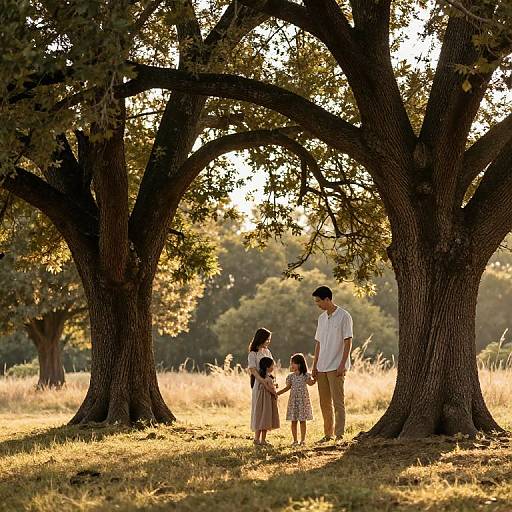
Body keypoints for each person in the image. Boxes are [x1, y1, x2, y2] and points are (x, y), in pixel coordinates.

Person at [312, 285, 353, 443]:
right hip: (321, 366)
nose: (318, 304)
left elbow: (348, 341)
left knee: (338, 402)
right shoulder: (321, 319)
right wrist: (314, 365)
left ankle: (339, 435)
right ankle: (328, 434)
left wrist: (342, 364)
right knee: (324, 403)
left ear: (327, 299)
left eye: (319, 301)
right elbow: (318, 343)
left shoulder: (344, 316)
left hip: (336, 366)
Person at [277, 353, 316, 445]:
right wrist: (277, 393)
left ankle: (302, 440)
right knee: (293, 421)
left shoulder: (305, 375)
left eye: (293, 363)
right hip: (293, 401)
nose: (292, 365)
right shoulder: (290, 376)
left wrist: (316, 377)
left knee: (302, 421)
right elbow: (287, 388)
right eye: (291, 363)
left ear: (300, 364)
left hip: (303, 401)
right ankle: (295, 440)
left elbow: (311, 383)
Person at [247, 327, 276, 442]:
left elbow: (271, 367)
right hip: (258, 385)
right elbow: (253, 370)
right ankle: (256, 438)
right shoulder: (253, 354)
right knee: (259, 410)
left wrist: (271, 382)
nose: (268, 341)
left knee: (266, 411)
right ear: (261, 339)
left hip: (268, 384)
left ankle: (263, 439)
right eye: (267, 339)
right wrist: (262, 381)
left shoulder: (268, 352)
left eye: (269, 339)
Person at [253, 356, 280, 445]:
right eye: (272, 366)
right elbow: (269, 388)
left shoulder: (262, 377)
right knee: (265, 419)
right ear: (267, 367)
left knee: (260, 418)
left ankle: (256, 439)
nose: (273, 367)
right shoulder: (267, 378)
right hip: (267, 400)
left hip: (261, 400)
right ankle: (263, 440)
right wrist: (275, 393)